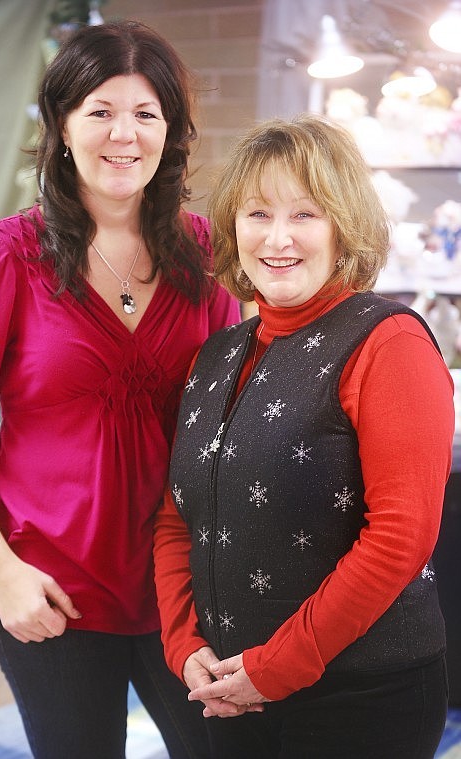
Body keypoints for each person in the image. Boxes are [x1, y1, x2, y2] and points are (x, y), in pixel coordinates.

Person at [0, 20, 240, 759]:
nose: (122, 134)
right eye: (99, 111)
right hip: (51, 587)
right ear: (61, 127)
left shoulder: (206, 250)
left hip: (183, 587)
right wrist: (3, 574)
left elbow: (234, 409)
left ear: (171, 133)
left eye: (145, 114)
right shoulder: (6, 255)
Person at [153, 114, 454, 759]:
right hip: (229, 688)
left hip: (363, 697)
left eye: (306, 213)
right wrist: (184, 646)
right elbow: (180, 517)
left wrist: (275, 670)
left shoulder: (389, 341)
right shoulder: (216, 355)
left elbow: (400, 539)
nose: (278, 237)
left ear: (345, 225)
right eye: (258, 213)